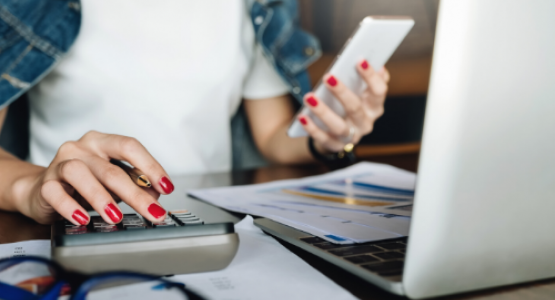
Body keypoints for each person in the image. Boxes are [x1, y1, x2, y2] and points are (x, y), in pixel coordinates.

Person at [0, 0, 389, 226]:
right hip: (70, 225)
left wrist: (328, 135)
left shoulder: (258, 5)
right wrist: (32, 188)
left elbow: (272, 137)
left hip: (210, 225)